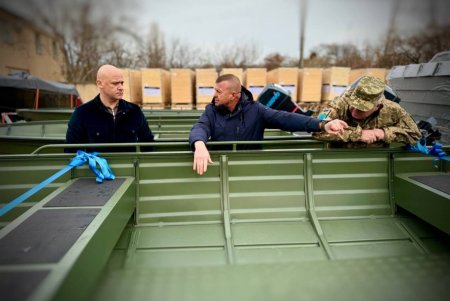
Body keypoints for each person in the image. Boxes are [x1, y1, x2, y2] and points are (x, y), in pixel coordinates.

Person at [189, 74, 348, 175]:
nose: (214, 95)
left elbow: (285, 118)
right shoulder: (212, 111)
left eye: (218, 91)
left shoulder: (256, 110)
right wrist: (199, 144)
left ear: (233, 96)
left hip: (252, 170)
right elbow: (200, 127)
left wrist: (322, 125)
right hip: (220, 168)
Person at [312, 75, 421, 147]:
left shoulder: (393, 109)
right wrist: (358, 134)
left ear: (378, 106)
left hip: (378, 162)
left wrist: (383, 133)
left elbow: (415, 134)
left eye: (361, 108)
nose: (354, 111)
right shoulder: (338, 103)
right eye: (352, 104)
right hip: (339, 158)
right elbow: (317, 128)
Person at [65, 64, 154, 152]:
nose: (121, 88)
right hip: (95, 166)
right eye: (115, 83)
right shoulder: (82, 113)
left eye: (122, 83)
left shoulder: (134, 111)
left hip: (130, 165)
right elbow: (71, 151)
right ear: (99, 83)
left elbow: (148, 145)